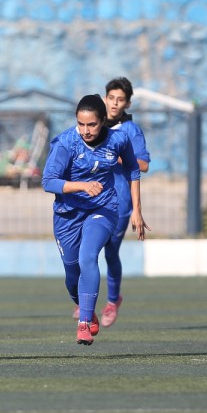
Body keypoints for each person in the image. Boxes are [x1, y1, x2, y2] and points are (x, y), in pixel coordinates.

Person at [42, 94, 149, 345]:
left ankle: (84, 323)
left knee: (88, 256)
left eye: (91, 124)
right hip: (67, 215)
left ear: (103, 122)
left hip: (103, 209)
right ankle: (85, 306)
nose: (86, 130)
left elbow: (134, 170)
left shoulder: (118, 139)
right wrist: (80, 186)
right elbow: (48, 181)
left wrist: (137, 210)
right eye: (81, 124)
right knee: (71, 273)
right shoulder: (66, 143)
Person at [94, 76, 151, 327]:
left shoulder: (130, 131)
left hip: (120, 201)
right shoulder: (94, 126)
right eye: (111, 98)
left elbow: (144, 164)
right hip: (92, 198)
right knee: (87, 250)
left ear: (127, 104)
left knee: (110, 252)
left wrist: (118, 158)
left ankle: (112, 300)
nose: (115, 104)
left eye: (120, 100)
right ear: (105, 98)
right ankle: (85, 300)